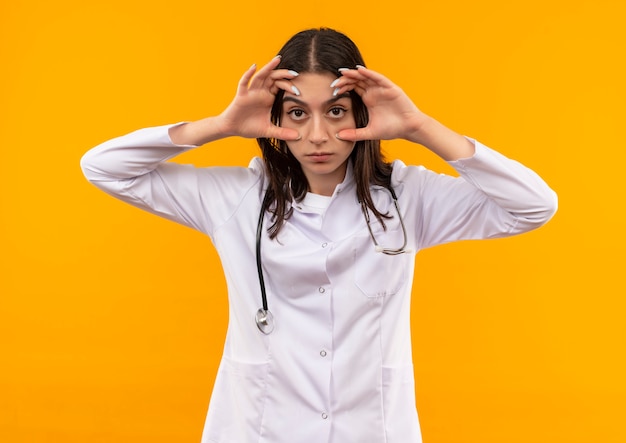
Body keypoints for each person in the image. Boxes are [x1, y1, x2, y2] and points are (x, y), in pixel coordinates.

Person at [81, 27, 557, 443]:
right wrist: (221, 125)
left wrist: (419, 126)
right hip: (260, 429)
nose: (316, 136)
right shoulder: (235, 199)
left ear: (362, 114)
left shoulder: (408, 198)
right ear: (276, 117)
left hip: (371, 429)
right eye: (297, 114)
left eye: (335, 112)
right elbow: (104, 168)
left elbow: (535, 206)